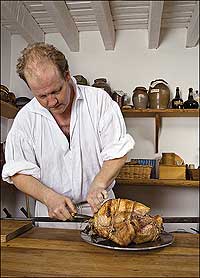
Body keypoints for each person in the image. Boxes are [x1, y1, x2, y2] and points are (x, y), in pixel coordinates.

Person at [2, 42, 135, 229]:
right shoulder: (25, 118)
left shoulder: (99, 102)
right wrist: (48, 197)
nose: (51, 101)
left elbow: (117, 152)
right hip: (51, 215)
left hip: (98, 211)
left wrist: (98, 184)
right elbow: (18, 171)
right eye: (42, 96)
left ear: (67, 75)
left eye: (56, 91)